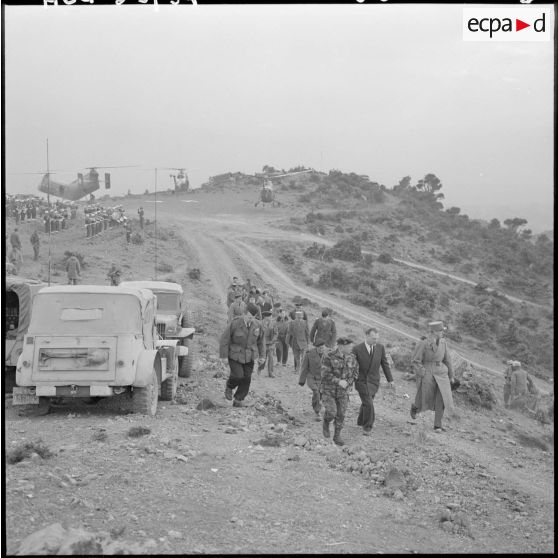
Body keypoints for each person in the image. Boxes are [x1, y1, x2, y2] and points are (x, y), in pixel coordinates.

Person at [410, 321, 455, 432]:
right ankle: (415, 407)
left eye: (442, 330)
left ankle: (437, 425)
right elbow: (415, 360)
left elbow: (447, 359)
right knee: (424, 395)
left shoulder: (444, 342)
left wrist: (451, 375)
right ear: (434, 331)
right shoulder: (424, 342)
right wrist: (422, 373)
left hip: (441, 372)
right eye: (440, 330)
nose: (442, 332)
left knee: (443, 397)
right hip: (427, 370)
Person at [352, 327, 395, 436]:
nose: (375, 341)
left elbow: (384, 364)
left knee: (367, 402)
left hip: (374, 382)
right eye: (373, 338)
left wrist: (390, 379)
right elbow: (351, 366)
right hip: (361, 381)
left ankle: (360, 421)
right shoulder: (357, 349)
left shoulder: (380, 348)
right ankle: (367, 426)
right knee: (369, 404)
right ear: (366, 336)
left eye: (376, 339)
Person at [219, 308, 265, 407]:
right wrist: (223, 356)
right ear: (244, 314)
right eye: (248, 316)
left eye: (252, 317)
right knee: (238, 376)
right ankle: (229, 386)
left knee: (247, 378)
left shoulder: (258, 325)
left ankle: (238, 399)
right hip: (235, 355)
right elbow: (224, 339)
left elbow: (261, 342)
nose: (250, 319)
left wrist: (262, 356)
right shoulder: (235, 323)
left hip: (249, 356)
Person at [320, 337, 358, 446]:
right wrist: (338, 381)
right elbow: (324, 374)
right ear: (341, 346)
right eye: (349, 346)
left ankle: (337, 436)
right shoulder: (329, 356)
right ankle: (326, 422)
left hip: (343, 392)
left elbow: (356, 372)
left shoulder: (352, 358)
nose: (351, 348)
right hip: (329, 390)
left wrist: (349, 382)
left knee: (341, 414)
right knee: (332, 412)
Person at [298, 340, 328, 421]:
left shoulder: (328, 355)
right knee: (316, 392)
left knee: (320, 394)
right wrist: (302, 380)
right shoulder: (309, 354)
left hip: (323, 379)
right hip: (312, 377)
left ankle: (316, 404)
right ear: (316, 348)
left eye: (323, 347)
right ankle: (317, 412)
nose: (322, 349)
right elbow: (304, 368)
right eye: (320, 348)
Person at [259, 311, 278, 377]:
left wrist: (273, 340)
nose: (270, 318)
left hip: (271, 344)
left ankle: (270, 372)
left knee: (271, 357)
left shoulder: (273, 324)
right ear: (265, 317)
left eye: (270, 316)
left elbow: (276, 333)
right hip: (262, 343)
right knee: (263, 357)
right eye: (268, 317)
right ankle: (260, 369)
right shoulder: (260, 323)